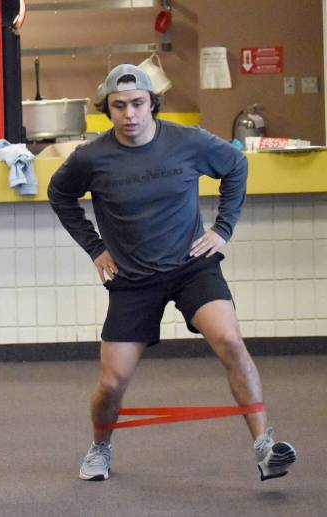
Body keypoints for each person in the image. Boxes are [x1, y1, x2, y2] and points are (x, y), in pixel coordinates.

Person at [48, 64, 297, 482]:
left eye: (138, 103)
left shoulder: (188, 141)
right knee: (112, 383)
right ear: (107, 109)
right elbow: (60, 195)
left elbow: (236, 166)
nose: (130, 114)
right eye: (119, 106)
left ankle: (264, 447)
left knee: (230, 341)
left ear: (153, 104)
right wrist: (95, 248)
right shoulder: (91, 157)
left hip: (191, 267)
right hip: (132, 279)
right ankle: (100, 447)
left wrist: (223, 229)